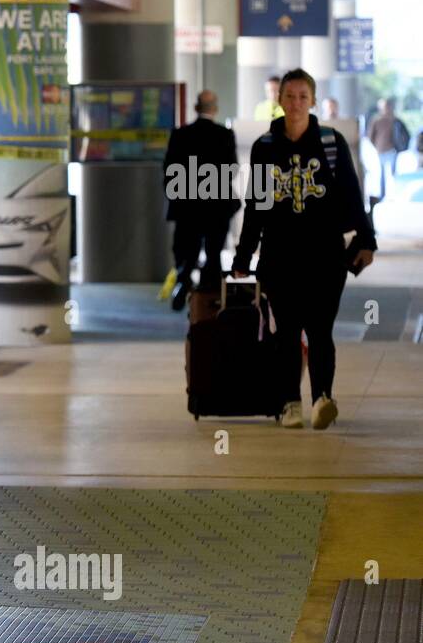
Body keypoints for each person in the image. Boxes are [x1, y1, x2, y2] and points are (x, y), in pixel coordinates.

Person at [231, 68, 376, 430]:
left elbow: (351, 194)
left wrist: (366, 238)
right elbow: (257, 205)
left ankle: (322, 398)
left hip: (325, 256)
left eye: (302, 97)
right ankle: (289, 404)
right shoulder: (265, 147)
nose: (295, 103)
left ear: (312, 101)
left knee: (321, 330)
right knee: (287, 334)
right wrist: (243, 256)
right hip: (280, 256)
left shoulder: (330, 143)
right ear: (279, 100)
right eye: (289, 96)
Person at [162, 89, 239, 310]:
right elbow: (231, 170)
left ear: (195, 109)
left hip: (187, 205)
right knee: (214, 251)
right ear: (214, 109)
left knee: (186, 249)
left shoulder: (180, 134)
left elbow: (169, 170)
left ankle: (184, 281)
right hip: (216, 204)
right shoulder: (224, 135)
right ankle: (209, 294)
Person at [366, 98, 408, 204]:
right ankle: (382, 196)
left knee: (394, 174)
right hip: (381, 151)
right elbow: (370, 136)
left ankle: (394, 194)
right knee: (383, 175)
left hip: (393, 150)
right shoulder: (376, 120)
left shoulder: (395, 120)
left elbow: (404, 134)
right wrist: (377, 146)